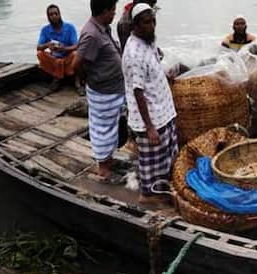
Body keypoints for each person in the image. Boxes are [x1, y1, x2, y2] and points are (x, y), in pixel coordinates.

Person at [123, 3, 178, 205]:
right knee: (151, 162)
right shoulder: (133, 54)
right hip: (151, 117)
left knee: (166, 156)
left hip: (164, 110)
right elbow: (138, 92)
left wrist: (165, 76)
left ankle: (162, 189)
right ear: (135, 25)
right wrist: (150, 127)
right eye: (147, 22)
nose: (152, 26)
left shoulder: (148, 42)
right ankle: (147, 195)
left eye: (153, 21)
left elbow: (153, 67)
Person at [72, 0, 126, 184]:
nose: (114, 14)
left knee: (112, 128)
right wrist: (87, 78)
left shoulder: (102, 28)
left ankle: (109, 161)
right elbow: (76, 64)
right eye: (112, 10)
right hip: (103, 91)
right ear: (103, 11)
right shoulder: (91, 34)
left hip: (113, 89)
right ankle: (103, 170)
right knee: (102, 129)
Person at [116, 0, 157, 160]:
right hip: (134, 71)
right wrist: (149, 126)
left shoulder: (143, 14)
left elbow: (147, 43)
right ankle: (133, 141)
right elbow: (133, 54)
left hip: (138, 68)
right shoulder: (127, 23)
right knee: (133, 103)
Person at [36, 4, 80, 87]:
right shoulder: (45, 30)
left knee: (76, 54)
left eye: (56, 14)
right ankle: (58, 75)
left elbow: (76, 46)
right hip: (54, 59)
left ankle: (61, 77)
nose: (54, 16)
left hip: (67, 58)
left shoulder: (70, 27)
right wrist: (47, 45)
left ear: (60, 14)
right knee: (40, 53)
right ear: (48, 17)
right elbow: (38, 47)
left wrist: (64, 49)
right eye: (51, 15)